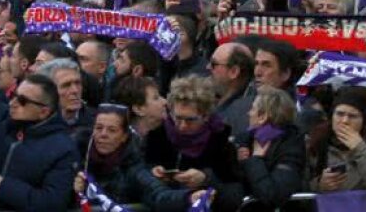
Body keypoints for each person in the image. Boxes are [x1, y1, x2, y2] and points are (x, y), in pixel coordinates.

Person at [0, 74, 77, 212]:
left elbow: (52, 203)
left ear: (43, 112)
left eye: (22, 101)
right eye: (14, 95)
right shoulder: (6, 125)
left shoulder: (63, 149)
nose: (12, 103)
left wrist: (4, 187)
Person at [145, 75, 240, 206]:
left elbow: (235, 196)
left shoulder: (221, 142)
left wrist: (206, 179)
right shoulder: (157, 135)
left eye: (190, 120)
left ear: (205, 116)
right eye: (178, 118)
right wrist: (152, 173)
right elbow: (138, 178)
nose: (182, 126)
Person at [73, 104, 180, 208]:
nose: (103, 134)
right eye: (99, 128)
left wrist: (187, 197)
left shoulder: (133, 167)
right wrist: (74, 192)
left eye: (112, 130)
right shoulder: (75, 159)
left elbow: (159, 195)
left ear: (124, 136)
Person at [235, 85, 306, 209]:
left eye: (252, 109)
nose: (248, 113)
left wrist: (255, 160)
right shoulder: (244, 141)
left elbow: (271, 195)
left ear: (262, 117)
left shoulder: (290, 147)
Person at [310, 87, 366, 199]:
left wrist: (361, 148)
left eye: (353, 116)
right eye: (340, 114)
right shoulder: (314, 142)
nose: (345, 121)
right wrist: (319, 185)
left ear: (363, 121)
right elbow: (300, 185)